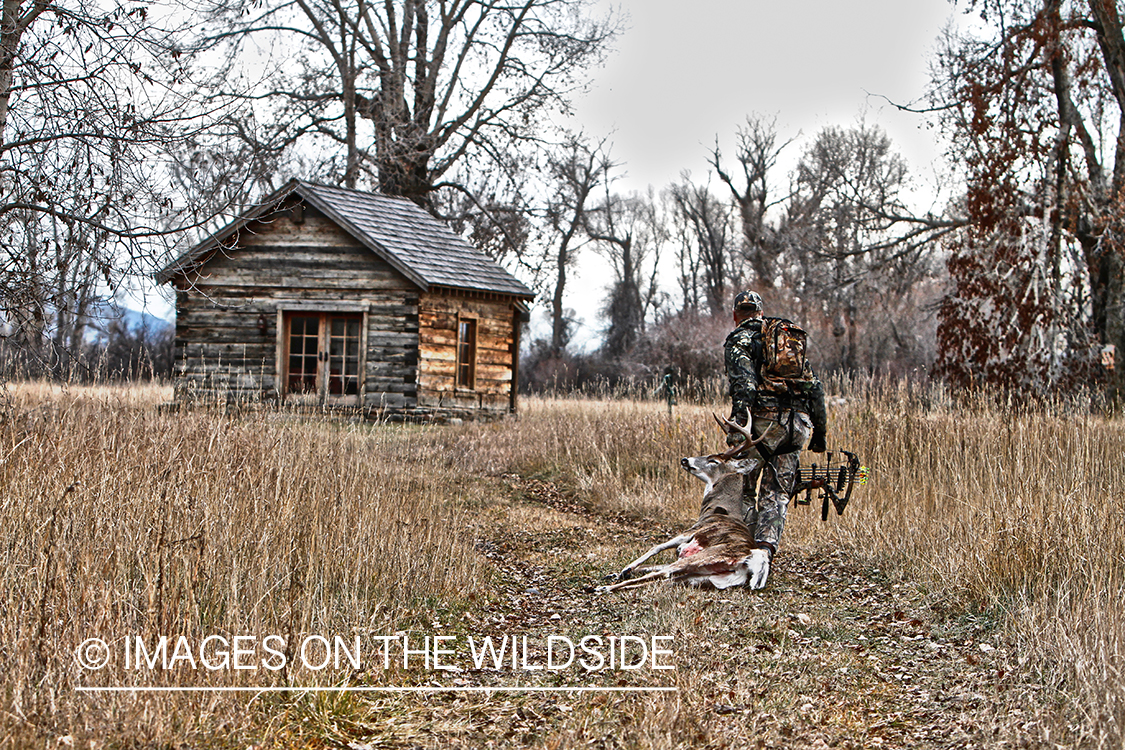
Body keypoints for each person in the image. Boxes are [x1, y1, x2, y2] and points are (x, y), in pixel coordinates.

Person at [723, 290, 827, 588]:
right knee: (777, 494)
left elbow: (744, 386)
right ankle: (764, 554)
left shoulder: (739, 340)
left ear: (736, 315)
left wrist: (737, 431)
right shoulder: (784, 339)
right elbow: (815, 390)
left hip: (760, 429)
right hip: (796, 426)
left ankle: (742, 554)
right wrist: (819, 435)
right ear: (760, 311)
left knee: (740, 489)